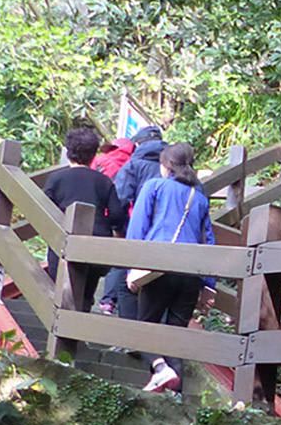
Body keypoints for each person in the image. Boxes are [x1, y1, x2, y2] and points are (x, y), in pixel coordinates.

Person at [123, 142, 212, 393]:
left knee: (144, 327)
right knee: (176, 335)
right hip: (191, 273)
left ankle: (160, 369)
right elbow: (209, 241)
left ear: (166, 166)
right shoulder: (201, 199)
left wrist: (132, 267)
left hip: (159, 266)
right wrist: (209, 284)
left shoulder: (154, 186)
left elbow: (137, 227)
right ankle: (175, 396)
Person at [39, 125, 125, 313]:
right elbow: (117, 214)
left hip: (63, 242)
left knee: (60, 291)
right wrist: (109, 228)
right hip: (95, 245)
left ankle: (60, 333)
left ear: (68, 152)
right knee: (86, 294)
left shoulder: (57, 178)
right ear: (94, 154)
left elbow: (43, 208)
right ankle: (79, 329)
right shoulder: (104, 182)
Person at [96, 124, 165, 315]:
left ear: (138, 143)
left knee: (127, 280)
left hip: (136, 227)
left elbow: (121, 197)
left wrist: (117, 226)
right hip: (167, 233)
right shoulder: (173, 164)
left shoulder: (133, 165)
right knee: (160, 279)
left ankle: (125, 333)